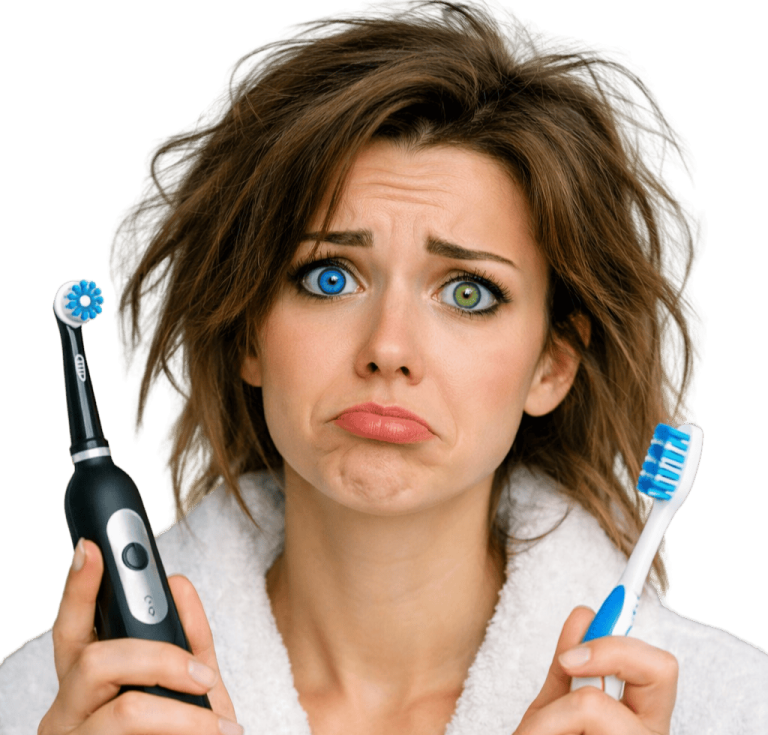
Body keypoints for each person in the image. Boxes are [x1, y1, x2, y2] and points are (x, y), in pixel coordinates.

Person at [2, 1, 766, 733]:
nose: (389, 347)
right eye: (330, 277)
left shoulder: (732, 708)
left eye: (468, 293)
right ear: (250, 335)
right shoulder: (35, 706)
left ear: (552, 365)